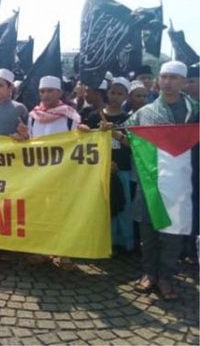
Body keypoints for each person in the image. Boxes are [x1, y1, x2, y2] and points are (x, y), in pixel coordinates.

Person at [126, 61, 199, 301]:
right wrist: (103, 131)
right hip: (151, 182)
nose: (168, 82)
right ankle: (149, 274)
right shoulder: (145, 112)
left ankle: (166, 277)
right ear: (158, 80)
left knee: (173, 233)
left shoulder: (195, 111)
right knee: (148, 231)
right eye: (164, 77)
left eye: (174, 77)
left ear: (184, 82)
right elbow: (126, 135)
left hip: (181, 182)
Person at [14, 75, 88, 271]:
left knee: (64, 213)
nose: (45, 95)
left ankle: (65, 253)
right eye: (42, 91)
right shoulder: (33, 116)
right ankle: (42, 250)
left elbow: (78, 144)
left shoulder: (71, 116)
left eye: (50, 91)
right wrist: (24, 136)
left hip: (63, 174)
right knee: (41, 212)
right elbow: (31, 142)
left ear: (59, 93)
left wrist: (84, 133)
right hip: (39, 175)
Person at [87, 77, 134, 253]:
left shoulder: (129, 119)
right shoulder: (94, 116)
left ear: (126, 96)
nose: (115, 96)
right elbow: (85, 141)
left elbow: (134, 145)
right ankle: (102, 241)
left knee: (123, 205)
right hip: (99, 169)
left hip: (121, 169)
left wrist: (115, 133)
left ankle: (123, 243)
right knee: (101, 206)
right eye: (113, 92)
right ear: (107, 93)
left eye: (120, 94)